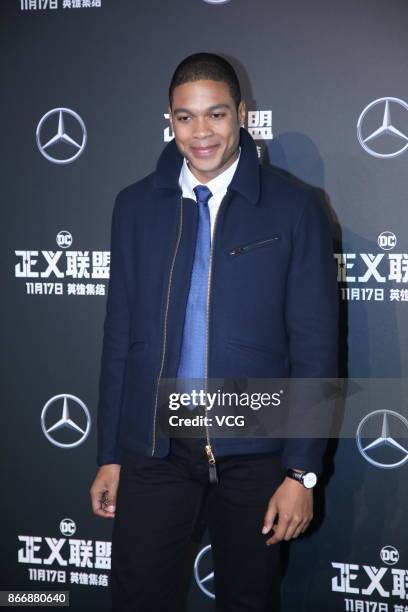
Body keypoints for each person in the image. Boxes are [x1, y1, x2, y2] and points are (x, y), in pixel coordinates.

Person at [90, 52, 338, 611]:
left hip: (256, 453)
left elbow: (316, 349)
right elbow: (118, 337)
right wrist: (109, 452)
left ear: (242, 115)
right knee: (136, 599)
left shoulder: (296, 207)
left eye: (216, 115)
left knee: (249, 601)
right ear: (170, 121)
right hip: (156, 449)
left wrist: (302, 471)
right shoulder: (134, 206)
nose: (201, 132)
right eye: (185, 117)